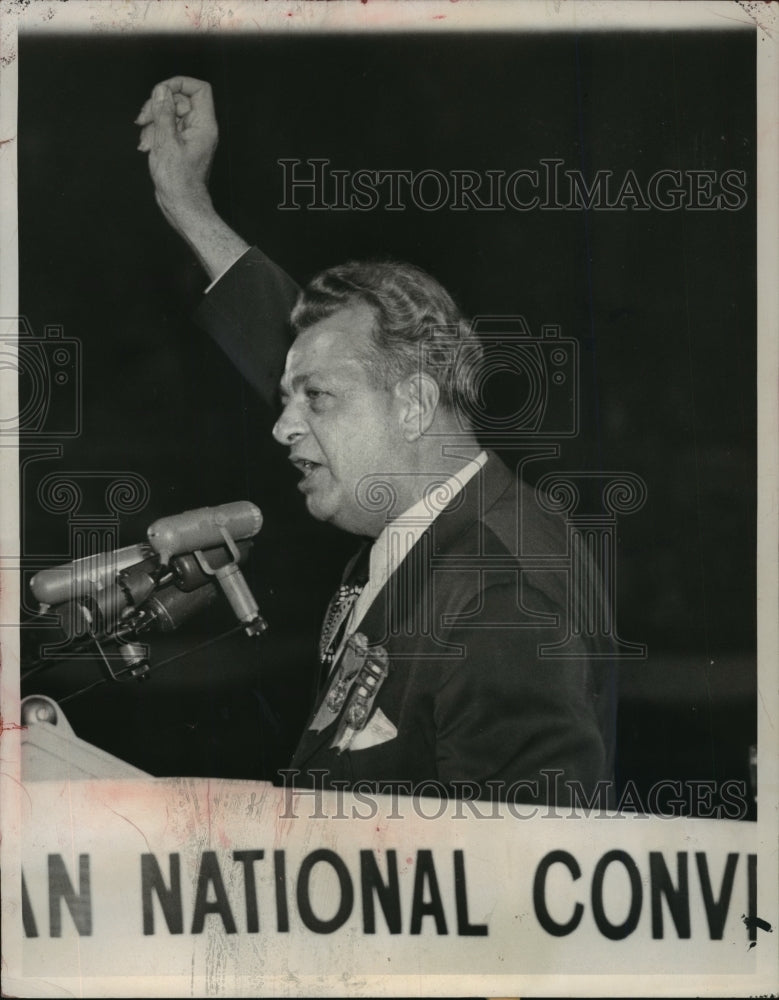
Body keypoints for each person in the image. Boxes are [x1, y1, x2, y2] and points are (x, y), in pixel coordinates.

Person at [136, 78, 615, 804]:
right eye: (290, 395)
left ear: (417, 404)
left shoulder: (499, 597)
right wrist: (185, 202)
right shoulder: (430, 515)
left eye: (315, 399)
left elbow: (517, 881)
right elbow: (315, 359)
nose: (281, 424)